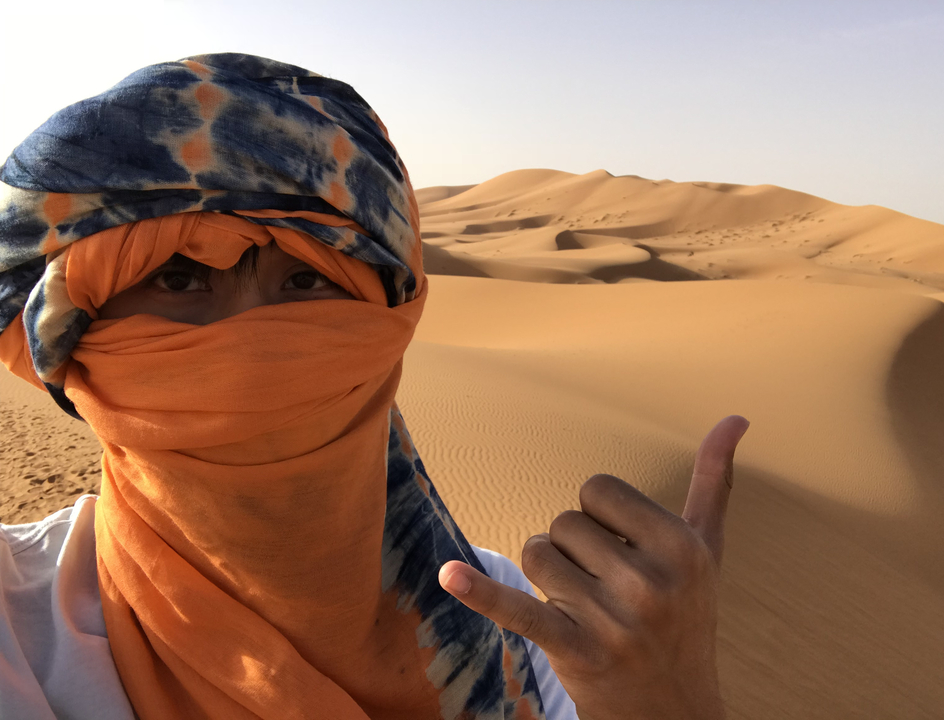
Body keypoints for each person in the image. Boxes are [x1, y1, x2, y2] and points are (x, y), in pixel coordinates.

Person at [0, 53, 748, 720]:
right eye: (177, 279)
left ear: (388, 312)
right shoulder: (18, 631)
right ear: (68, 342)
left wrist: (666, 704)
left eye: (304, 279)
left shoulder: (526, 625)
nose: (254, 347)